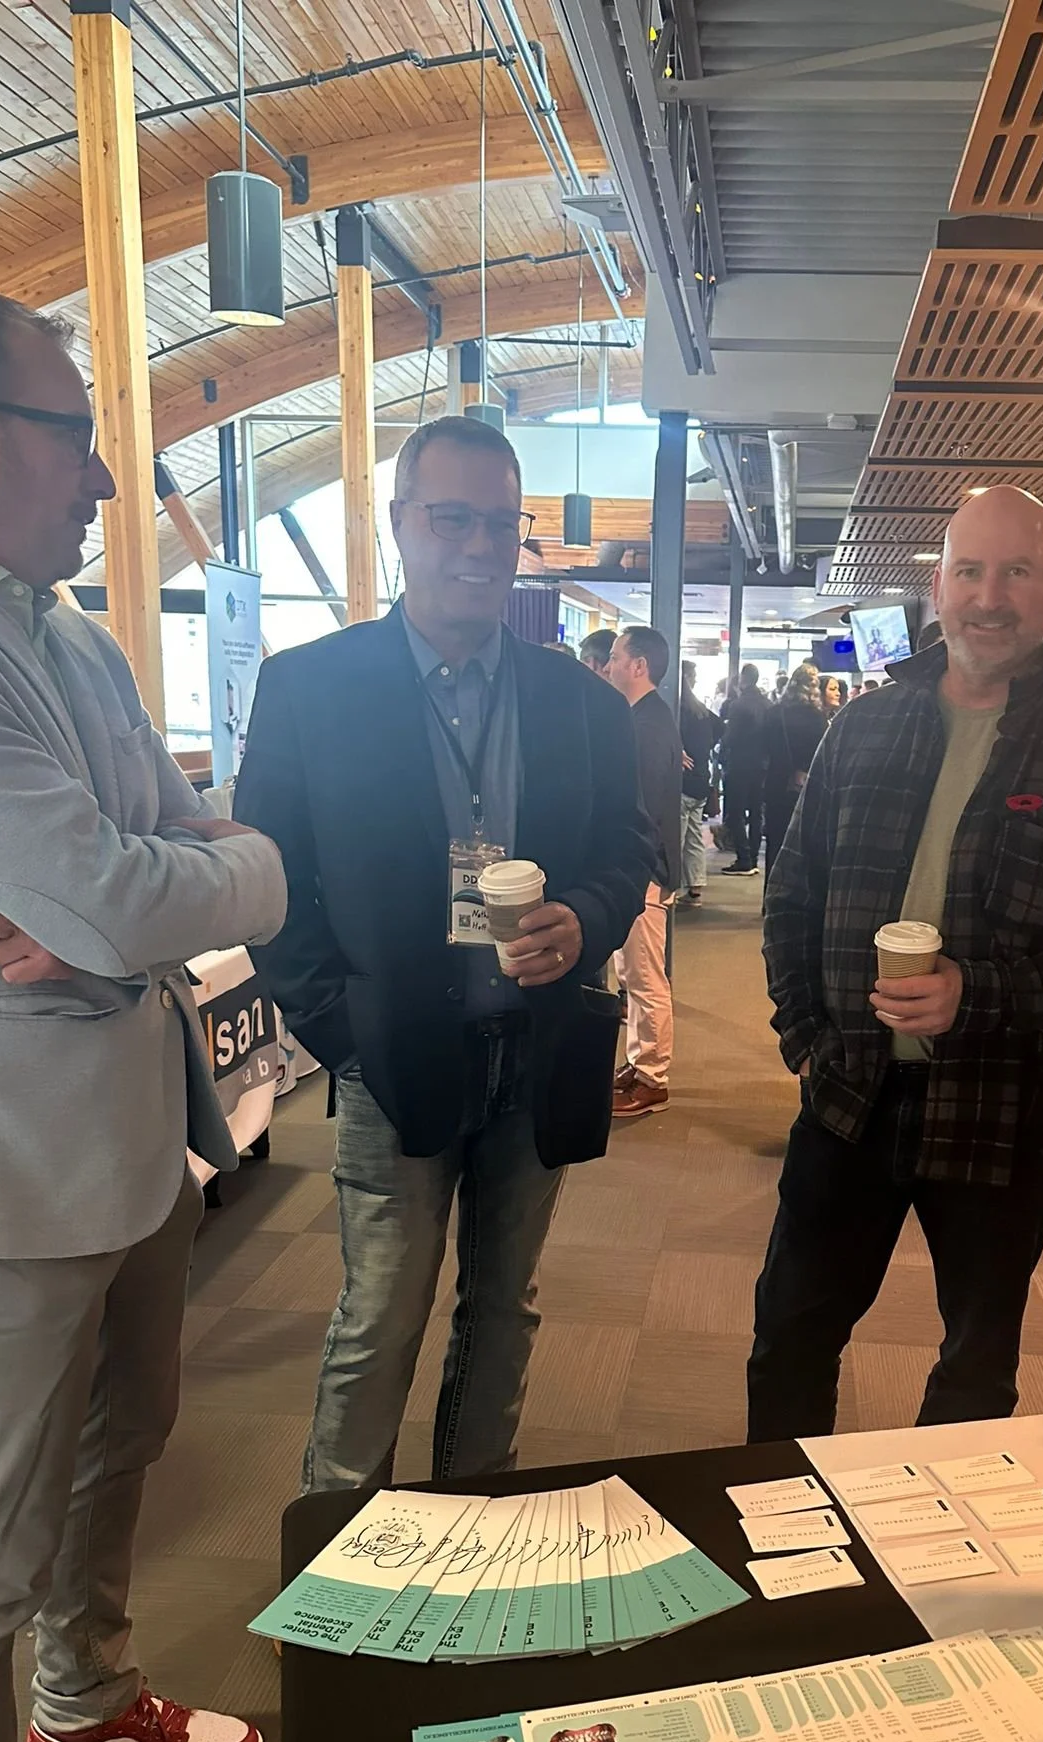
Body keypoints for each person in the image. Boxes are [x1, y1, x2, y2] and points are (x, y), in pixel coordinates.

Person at [0, 285, 288, 1742]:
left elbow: (180, 854)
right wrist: (137, 891)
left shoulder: (69, 638)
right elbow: (143, 881)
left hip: (125, 1130)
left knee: (129, 1429)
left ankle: (86, 1695)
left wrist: (131, 897)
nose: (109, 482)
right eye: (73, 434)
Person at [235, 415, 652, 1489]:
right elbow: (271, 880)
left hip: (541, 1043)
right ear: (400, 524)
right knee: (381, 1309)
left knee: (504, 1305)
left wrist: (590, 916)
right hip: (396, 1051)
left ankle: (478, 1512)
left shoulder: (581, 700)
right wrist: (343, 1025)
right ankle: (335, 1560)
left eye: (498, 522)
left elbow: (628, 847)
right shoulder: (311, 687)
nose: (476, 543)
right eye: (449, 518)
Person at [748, 487, 1043, 1435]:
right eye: (972, 571)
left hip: (1005, 1113)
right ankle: (782, 1550)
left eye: (1017, 571)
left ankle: (941, 1575)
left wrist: (978, 995)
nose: (992, 596)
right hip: (849, 1096)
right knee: (789, 1338)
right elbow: (793, 891)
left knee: (976, 1370)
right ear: (938, 586)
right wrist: (807, 1037)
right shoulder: (862, 727)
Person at [607, 626, 681, 1119]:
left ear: (639, 666)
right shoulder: (644, 717)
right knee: (632, 972)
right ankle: (640, 1063)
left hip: (644, 869)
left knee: (646, 976)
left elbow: (646, 809)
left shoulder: (646, 722)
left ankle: (653, 1077)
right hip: (641, 867)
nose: (608, 665)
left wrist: (640, 874)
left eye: (615, 657)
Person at [762, 665, 828, 886]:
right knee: (801, 845)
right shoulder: (818, 718)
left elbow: (764, 748)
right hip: (807, 787)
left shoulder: (774, 713)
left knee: (775, 842)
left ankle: (769, 896)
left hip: (776, 783)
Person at [678, 662, 722, 908]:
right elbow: (721, 729)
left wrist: (679, 749)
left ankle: (670, 890)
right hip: (700, 781)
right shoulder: (701, 710)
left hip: (682, 782)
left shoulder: (676, 711)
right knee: (694, 837)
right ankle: (695, 888)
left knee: (676, 839)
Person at [719, 664, 768, 874]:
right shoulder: (768, 704)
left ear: (743, 680)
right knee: (757, 813)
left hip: (739, 765)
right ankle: (755, 857)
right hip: (762, 765)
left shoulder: (738, 705)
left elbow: (730, 738)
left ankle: (744, 857)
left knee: (735, 812)